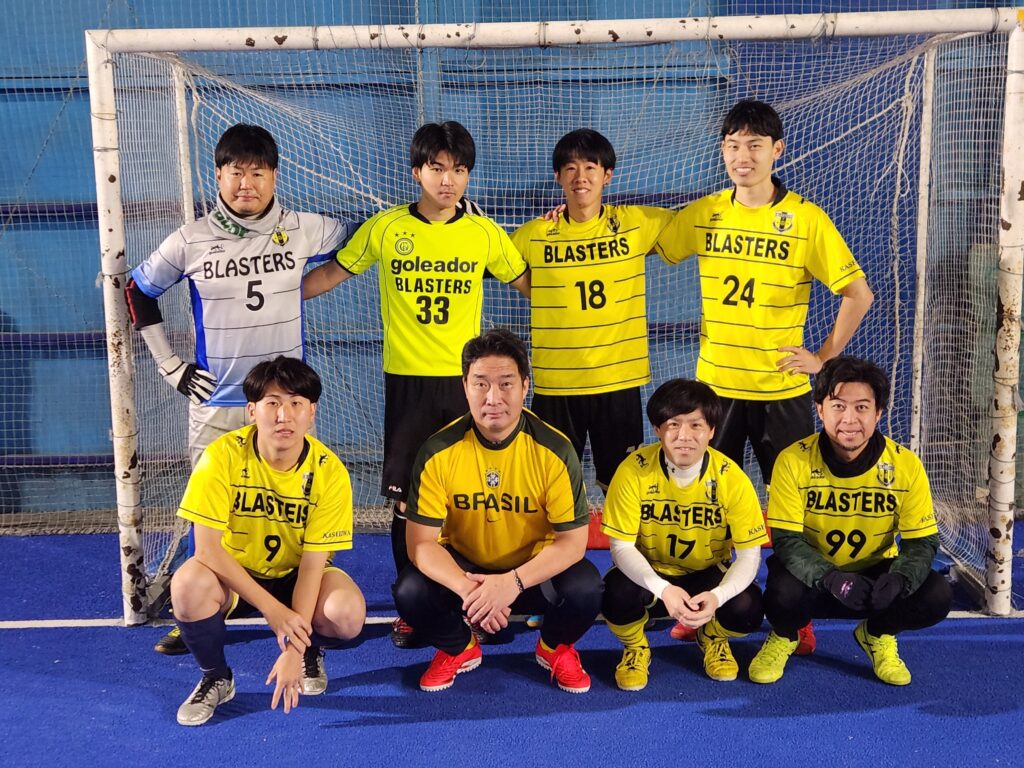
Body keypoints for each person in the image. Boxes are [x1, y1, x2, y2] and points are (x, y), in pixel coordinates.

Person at [655, 100, 875, 649]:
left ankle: (795, 614)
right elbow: (647, 239)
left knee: (794, 510)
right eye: (732, 145)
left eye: (754, 145)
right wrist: (578, 212)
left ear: (777, 150)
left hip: (780, 392)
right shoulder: (705, 213)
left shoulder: (805, 218)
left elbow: (858, 293)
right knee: (707, 508)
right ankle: (704, 606)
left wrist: (824, 359)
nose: (742, 156)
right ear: (722, 151)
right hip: (716, 393)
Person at [126, 123, 352, 655]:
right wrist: (170, 365)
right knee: (211, 515)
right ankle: (204, 611)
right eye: (235, 172)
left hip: (283, 406)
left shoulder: (305, 228)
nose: (246, 183)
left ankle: (299, 606)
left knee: (290, 506)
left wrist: (451, 214)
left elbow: (366, 237)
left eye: (257, 172)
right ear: (218, 176)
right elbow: (138, 289)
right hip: (218, 401)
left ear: (274, 175)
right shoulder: (190, 239)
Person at [303, 121, 530, 649]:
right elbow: (331, 274)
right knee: (406, 499)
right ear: (416, 172)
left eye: (459, 170)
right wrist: (273, 296)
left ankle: (476, 601)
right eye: (437, 168)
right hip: (407, 385)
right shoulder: (385, 229)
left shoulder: (484, 234)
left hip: (467, 387)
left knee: (473, 495)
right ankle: (412, 607)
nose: (448, 180)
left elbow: (530, 283)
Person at [393, 329, 603, 693]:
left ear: (525, 386)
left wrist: (511, 583)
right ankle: (459, 648)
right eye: (481, 384)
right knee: (410, 590)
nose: (493, 398)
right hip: (467, 573)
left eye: (506, 384)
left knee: (586, 588)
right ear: (465, 386)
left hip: (531, 573)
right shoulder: (437, 450)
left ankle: (554, 647)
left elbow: (572, 543)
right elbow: (420, 545)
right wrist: (471, 592)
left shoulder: (555, 450)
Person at [171, 357, 365, 726]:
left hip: (295, 574)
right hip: (234, 573)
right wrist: (274, 613)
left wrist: (294, 648)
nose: (283, 415)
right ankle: (217, 677)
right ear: (252, 410)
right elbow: (207, 549)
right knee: (187, 586)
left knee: (346, 614)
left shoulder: (330, 473)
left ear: (312, 412)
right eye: (272, 403)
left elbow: (312, 565)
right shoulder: (222, 456)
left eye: (296, 403)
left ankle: (311, 649)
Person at [748, 356, 951, 686]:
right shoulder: (793, 460)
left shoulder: (906, 466)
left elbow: (922, 542)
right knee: (780, 593)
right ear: (820, 409)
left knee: (936, 594)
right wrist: (830, 578)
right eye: (838, 406)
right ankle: (785, 635)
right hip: (816, 577)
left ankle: (877, 633)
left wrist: (899, 579)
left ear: (878, 413)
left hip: (874, 578)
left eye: (862, 408)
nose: (849, 419)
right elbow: (786, 541)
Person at [510, 129, 674, 494]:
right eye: (570, 168)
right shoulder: (535, 234)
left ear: (607, 174)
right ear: (558, 176)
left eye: (590, 167)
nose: (580, 177)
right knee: (550, 487)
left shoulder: (635, 224)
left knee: (622, 487)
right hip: (556, 384)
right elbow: (496, 260)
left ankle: (622, 538)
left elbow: (696, 223)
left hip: (617, 383)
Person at [601, 379, 767, 689]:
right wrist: (663, 589)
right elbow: (621, 547)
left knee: (748, 606)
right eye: (673, 424)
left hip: (707, 574)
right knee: (613, 592)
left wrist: (718, 597)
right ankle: (636, 647)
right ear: (657, 429)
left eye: (696, 425)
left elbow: (749, 555)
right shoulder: (632, 471)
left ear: (712, 430)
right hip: (652, 574)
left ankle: (712, 636)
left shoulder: (732, 478)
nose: (684, 436)